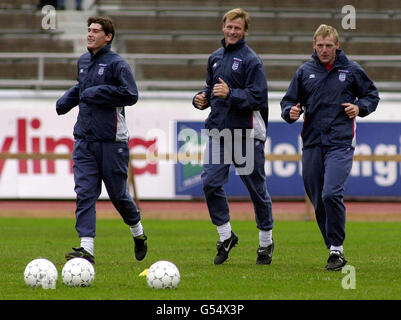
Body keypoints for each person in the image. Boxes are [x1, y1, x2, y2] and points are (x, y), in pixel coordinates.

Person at [280, 24, 380, 271]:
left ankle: (337, 249)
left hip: (340, 142)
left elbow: (371, 96)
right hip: (312, 142)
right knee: (318, 199)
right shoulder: (305, 71)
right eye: (320, 45)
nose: (324, 50)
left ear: (337, 45)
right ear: (314, 46)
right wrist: (290, 112)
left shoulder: (352, 70)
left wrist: (360, 108)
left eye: (329, 45)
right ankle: (333, 247)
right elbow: (288, 101)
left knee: (331, 193)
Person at [56, 16, 147, 264]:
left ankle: (138, 231)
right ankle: (87, 249)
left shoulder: (118, 65)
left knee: (118, 195)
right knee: (85, 193)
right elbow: (82, 88)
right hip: (84, 139)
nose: (90, 34)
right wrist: (67, 100)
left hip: (112, 141)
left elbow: (131, 94)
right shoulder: (83, 61)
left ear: (108, 37)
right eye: (89, 30)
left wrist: (99, 92)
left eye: (96, 31)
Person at [193, 8, 274, 265]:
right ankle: (226, 236)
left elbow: (259, 97)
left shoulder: (252, 61)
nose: (232, 31)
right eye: (229, 26)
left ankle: (265, 242)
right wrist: (200, 99)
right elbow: (211, 88)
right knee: (210, 183)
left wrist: (231, 94)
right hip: (218, 131)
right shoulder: (215, 57)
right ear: (223, 27)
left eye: (237, 28)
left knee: (256, 189)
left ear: (245, 31)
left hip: (246, 134)